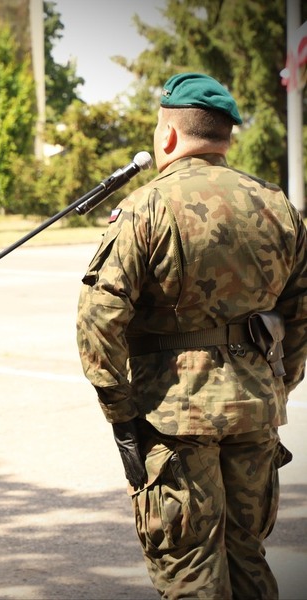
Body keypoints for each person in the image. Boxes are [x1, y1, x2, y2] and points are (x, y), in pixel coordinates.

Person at [76, 72, 307, 599]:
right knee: (248, 555)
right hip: (255, 411)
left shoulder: (146, 206)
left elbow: (98, 319)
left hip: (173, 416)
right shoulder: (277, 205)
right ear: (226, 137)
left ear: (169, 137)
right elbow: (302, 308)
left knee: (190, 568)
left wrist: (122, 414)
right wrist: (278, 383)